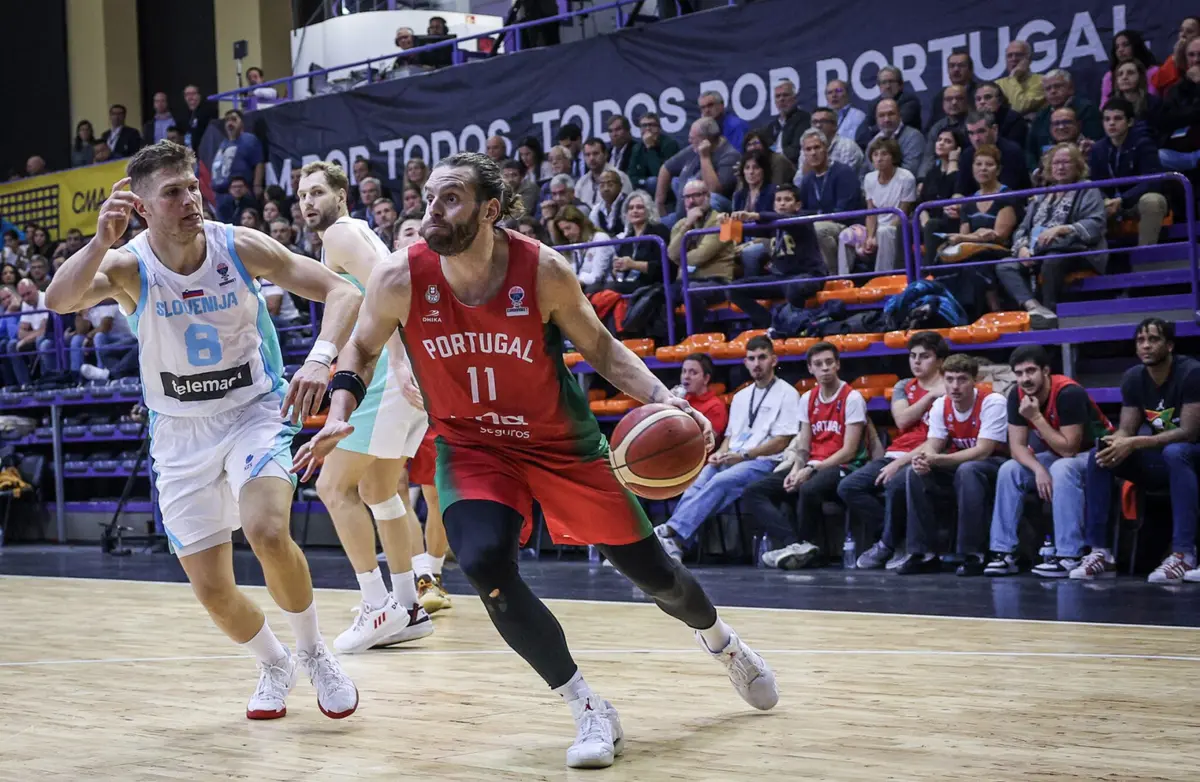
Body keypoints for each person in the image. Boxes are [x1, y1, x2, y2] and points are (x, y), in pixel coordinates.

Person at [294, 152, 777, 769]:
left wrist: (665, 397)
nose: (432, 211)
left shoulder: (541, 268)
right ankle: (586, 705)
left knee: (657, 576)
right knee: (483, 562)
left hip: (560, 445)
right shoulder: (399, 276)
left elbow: (602, 348)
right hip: (472, 446)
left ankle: (722, 641)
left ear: (489, 210)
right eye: (430, 197)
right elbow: (361, 348)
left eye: (450, 199)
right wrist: (340, 412)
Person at [45, 141, 365, 721]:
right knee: (213, 591)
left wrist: (321, 358)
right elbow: (58, 300)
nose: (190, 199)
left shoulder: (237, 244)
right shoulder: (128, 265)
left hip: (253, 411)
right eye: (173, 192)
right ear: (143, 208)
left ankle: (314, 652)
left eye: (192, 186)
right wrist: (98, 243)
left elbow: (342, 291)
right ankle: (274, 664)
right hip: (179, 433)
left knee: (267, 530)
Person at [296, 161, 434, 653]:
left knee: (333, 487)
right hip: (400, 371)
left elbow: (387, 294)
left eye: (317, 192)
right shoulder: (356, 233)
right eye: (302, 196)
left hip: (384, 375)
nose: (308, 202)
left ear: (341, 195)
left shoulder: (340, 234)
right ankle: (408, 607)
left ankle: (377, 605)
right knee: (378, 490)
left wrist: (398, 363)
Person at [1070, 319, 1200, 583]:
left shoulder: (1191, 373)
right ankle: (1101, 553)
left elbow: (1189, 432)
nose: (1146, 346)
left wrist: (1133, 443)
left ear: (1170, 345)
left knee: (1176, 452)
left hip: (1192, 456)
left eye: (1153, 339)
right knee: (1101, 456)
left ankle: (1184, 554)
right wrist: (1116, 442)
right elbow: (1126, 430)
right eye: (1141, 340)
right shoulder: (1133, 378)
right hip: (1163, 458)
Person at [655, 336, 799, 561]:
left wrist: (744, 455)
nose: (756, 363)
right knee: (698, 481)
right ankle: (675, 543)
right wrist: (721, 453)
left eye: (762, 357)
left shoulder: (788, 393)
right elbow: (731, 437)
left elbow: (783, 440)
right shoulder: (741, 396)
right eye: (751, 358)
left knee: (721, 481)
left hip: (766, 461)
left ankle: (672, 532)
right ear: (745, 363)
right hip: (734, 457)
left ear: (773, 360)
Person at [986, 345, 1112, 577]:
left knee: (1062, 468)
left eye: (1031, 371)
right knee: (1010, 469)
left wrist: (1036, 417)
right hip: (1058, 455)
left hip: (1098, 456)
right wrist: (1038, 470)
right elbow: (1017, 447)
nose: (1025, 379)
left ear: (1046, 371)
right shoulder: (1017, 395)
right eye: (1019, 373)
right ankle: (1004, 553)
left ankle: (1069, 555)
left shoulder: (1068, 393)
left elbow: (1069, 449)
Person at [745, 341, 866, 570]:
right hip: (811, 465)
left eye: (829, 362)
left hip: (843, 466)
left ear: (838, 365)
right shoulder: (807, 399)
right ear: (810, 368)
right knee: (754, 491)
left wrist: (810, 470)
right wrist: (796, 469)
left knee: (808, 488)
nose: (825, 368)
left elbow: (849, 451)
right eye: (818, 364)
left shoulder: (852, 398)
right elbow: (803, 446)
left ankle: (804, 546)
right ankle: (794, 544)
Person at [841, 331, 947, 569]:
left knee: (896, 483)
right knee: (848, 487)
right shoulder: (903, 386)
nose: (916, 362)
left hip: (925, 456)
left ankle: (886, 544)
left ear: (940, 360)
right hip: (894, 453)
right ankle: (897, 538)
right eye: (913, 356)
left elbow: (938, 440)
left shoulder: (951, 387)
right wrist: (930, 395)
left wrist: (899, 464)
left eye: (925, 356)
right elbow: (902, 420)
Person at [896, 354, 1008, 576]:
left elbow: (983, 451)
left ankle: (973, 553)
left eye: (962, 379)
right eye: (949, 379)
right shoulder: (941, 404)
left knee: (969, 469)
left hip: (996, 465)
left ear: (975, 380)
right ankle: (923, 554)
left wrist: (938, 460)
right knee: (914, 473)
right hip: (961, 466)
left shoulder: (992, 402)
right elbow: (933, 444)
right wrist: (924, 459)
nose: (955, 386)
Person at [996, 143, 1107, 329]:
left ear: (1078, 166)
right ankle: (1035, 308)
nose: (1060, 167)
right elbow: (1023, 228)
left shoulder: (1088, 189)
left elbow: (1096, 223)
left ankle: (1050, 311)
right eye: (1056, 163)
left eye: (1066, 162)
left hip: (1075, 250)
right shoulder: (1043, 194)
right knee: (1005, 265)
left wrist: (1063, 228)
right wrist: (1022, 248)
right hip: (1037, 251)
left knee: (1052, 260)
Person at [677, 353, 729, 441]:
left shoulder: (716, 406)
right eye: (684, 371)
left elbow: (708, 439)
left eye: (693, 372)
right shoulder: (680, 399)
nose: (686, 377)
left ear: (706, 379)